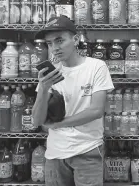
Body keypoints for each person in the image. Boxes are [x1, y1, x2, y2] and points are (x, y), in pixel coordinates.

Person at [32, 15, 114, 186]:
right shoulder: (50, 75)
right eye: (49, 43)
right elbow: (37, 120)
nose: (55, 48)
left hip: (88, 151)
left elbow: (96, 110)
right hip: (54, 154)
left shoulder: (96, 67)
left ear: (75, 39)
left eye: (59, 40)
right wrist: (43, 88)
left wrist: (58, 124)